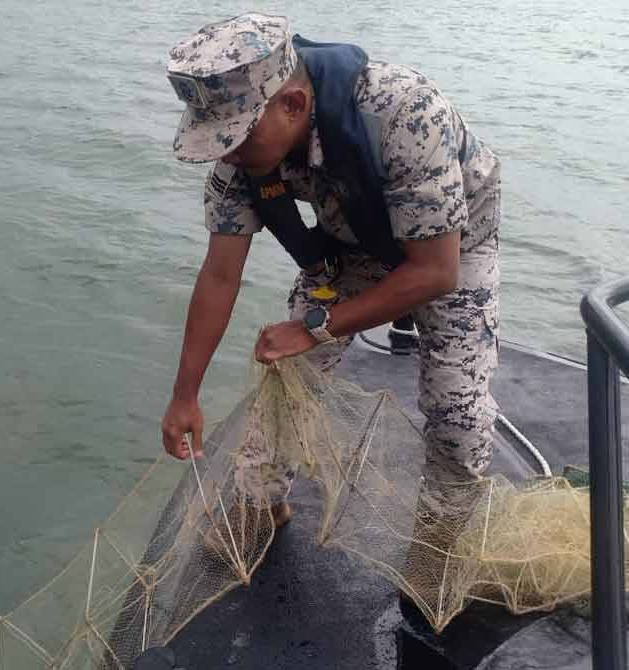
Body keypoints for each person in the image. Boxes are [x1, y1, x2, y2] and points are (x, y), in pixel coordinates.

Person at [159, 13, 502, 536]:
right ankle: (260, 507)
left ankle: (441, 543)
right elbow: (220, 274)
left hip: (452, 245)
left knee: (457, 410)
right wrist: (185, 395)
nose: (224, 152)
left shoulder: (404, 111)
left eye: (233, 137)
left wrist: (314, 326)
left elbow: (435, 271)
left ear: (292, 105)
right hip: (353, 242)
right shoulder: (239, 156)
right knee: (288, 374)